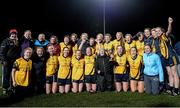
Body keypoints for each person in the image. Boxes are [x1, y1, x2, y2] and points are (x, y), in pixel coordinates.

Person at [155, 26, 179, 96]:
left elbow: (169, 31)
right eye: (156, 31)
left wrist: (170, 23)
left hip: (172, 56)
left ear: (162, 31)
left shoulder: (164, 36)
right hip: (166, 58)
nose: (157, 32)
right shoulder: (158, 39)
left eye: (159, 31)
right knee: (169, 73)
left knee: (175, 73)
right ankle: (171, 89)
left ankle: (176, 90)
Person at [0, 29, 20, 94]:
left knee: (13, 74)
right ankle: (5, 88)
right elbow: (2, 52)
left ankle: (12, 86)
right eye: (12, 34)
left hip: (15, 61)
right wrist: (4, 60)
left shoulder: (17, 41)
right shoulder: (5, 41)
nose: (14, 35)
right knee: (6, 74)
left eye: (15, 34)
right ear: (10, 34)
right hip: (7, 61)